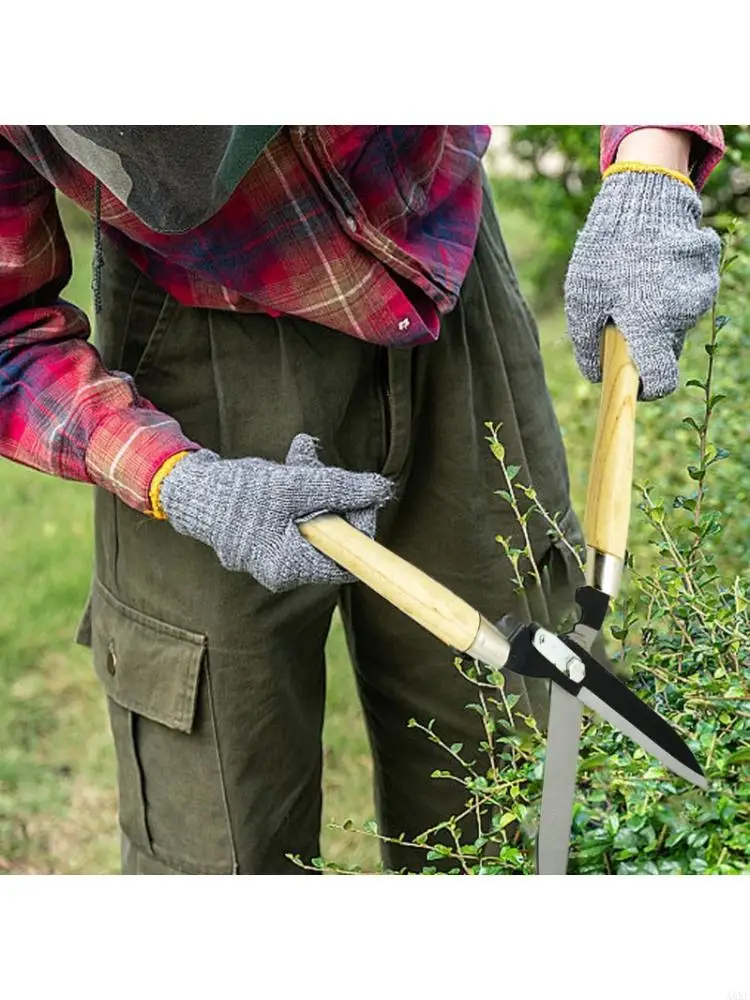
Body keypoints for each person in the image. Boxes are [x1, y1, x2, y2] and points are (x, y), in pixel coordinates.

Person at [0, 125, 724, 875]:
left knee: (511, 782)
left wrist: (651, 162)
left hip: (442, 254)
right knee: (217, 839)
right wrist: (178, 480)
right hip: (193, 332)